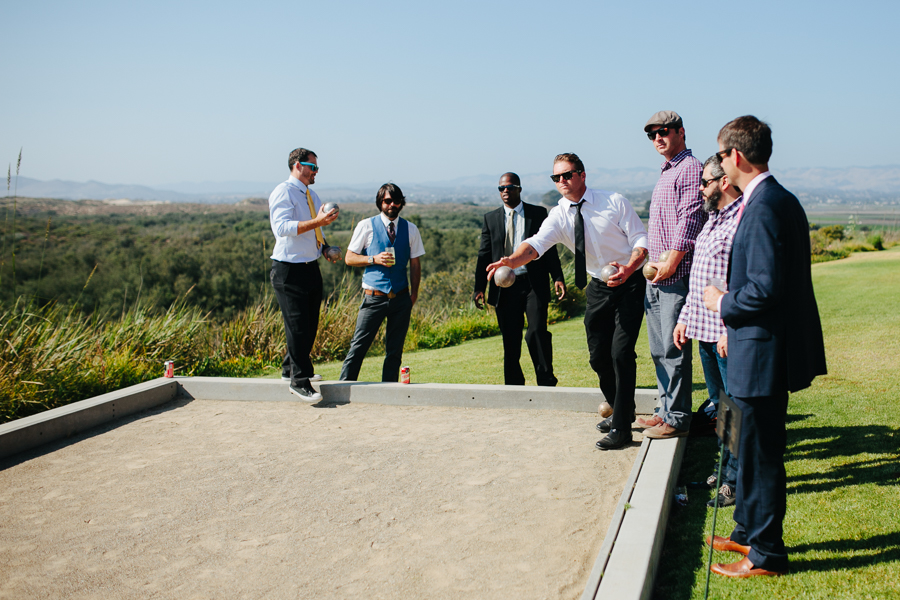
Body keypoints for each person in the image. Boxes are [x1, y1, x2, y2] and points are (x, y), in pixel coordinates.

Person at [703, 116, 827, 577]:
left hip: (765, 354)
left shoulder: (767, 205)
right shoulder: (776, 199)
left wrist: (723, 303)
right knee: (748, 446)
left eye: (719, 155)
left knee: (763, 456)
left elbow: (765, 289)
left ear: (735, 156)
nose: (718, 163)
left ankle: (767, 555)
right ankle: (747, 534)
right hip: (752, 347)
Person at [487, 153, 648, 450]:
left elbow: (641, 240)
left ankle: (622, 428)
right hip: (598, 287)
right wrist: (510, 259)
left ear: (582, 175)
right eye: (556, 177)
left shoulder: (614, 201)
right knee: (598, 357)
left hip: (630, 282)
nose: (562, 181)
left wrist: (629, 268)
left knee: (621, 353)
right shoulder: (560, 213)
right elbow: (536, 244)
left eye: (567, 175)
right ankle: (621, 408)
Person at [673, 154, 742, 508]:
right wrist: (685, 316)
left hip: (726, 335)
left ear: (723, 182)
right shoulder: (713, 219)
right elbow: (700, 275)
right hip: (704, 330)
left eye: (704, 182)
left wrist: (732, 328)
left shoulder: (740, 220)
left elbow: (739, 281)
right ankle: (725, 466)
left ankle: (734, 480)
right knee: (719, 405)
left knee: (733, 407)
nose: (699, 189)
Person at [640, 110, 707, 440]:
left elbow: (690, 218)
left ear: (681, 131)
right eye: (651, 134)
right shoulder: (668, 170)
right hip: (656, 275)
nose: (657, 138)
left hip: (675, 274)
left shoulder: (690, 168)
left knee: (673, 349)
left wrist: (673, 260)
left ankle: (678, 418)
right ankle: (666, 410)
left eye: (663, 131)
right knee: (658, 350)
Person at [474, 172, 566, 386]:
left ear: (519, 189)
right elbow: (484, 255)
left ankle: (546, 380)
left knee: (536, 331)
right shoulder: (491, 218)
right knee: (510, 338)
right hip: (504, 286)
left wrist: (558, 277)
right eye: (501, 188)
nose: (505, 191)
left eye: (510, 187)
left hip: (533, 283)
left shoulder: (538, 213)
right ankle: (514, 386)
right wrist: (479, 287)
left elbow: (549, 248)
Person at [269, 148, 340, 401]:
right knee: (298, 327)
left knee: (309, 325)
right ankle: (299, 382)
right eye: (313, 167)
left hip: (310, 266)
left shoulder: (311, 194)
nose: (316, 172)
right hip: (289, 269)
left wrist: (325, 248)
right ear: (297, 166)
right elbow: (282, 228)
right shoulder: (283, 191)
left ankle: (292, 369)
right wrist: (318, 222)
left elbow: (312, 231)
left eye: (317, 168)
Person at [339, 183, 424, 382]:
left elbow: (415, 264)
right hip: (373, 298)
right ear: (380, 203)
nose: (392, 205)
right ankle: (343, 387)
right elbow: (349, 258)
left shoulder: (411, 229)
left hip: (401, 298)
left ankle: (389, 390)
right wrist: (373, 259)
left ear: (401, 203)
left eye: (396, 201)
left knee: (394, 351)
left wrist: (414, 294)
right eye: (387, 201)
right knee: (358, 346)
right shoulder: (366, 226)